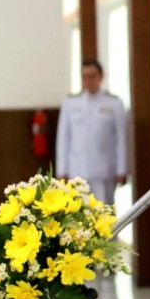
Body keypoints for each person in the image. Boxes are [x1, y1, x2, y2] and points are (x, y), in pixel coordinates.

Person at [55, 59, 127, 204]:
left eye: (92, 76)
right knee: (78, 211)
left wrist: (122, 169)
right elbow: (63, 138)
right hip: (77, 170)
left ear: (101, 76)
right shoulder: (70, 103)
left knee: (104, 211)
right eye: (85, 77)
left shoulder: (114, 103)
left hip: (104, 170)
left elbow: (121, 138)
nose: (88, 81)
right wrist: (61, 170)